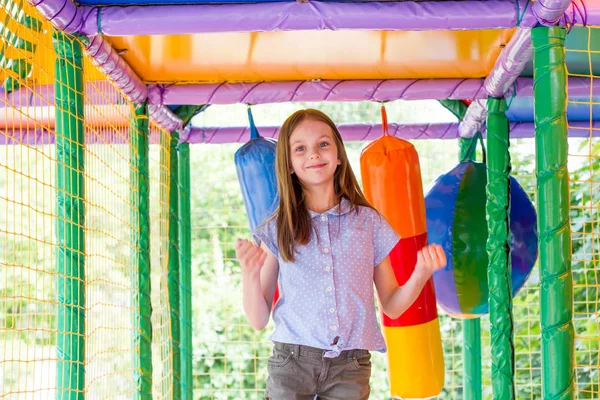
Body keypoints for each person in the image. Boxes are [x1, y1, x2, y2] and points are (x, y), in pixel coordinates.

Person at [235, 109, 446, 400]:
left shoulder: (369, 223)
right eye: (300, 149)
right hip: (291, 364)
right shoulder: (277, 228)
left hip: (351, 367)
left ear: (338, 155)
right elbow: (258, 320)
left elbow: (392, 307)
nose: (314, 154)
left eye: (323, 144)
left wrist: (421, 272)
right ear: (290, 165)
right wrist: (249, 274)